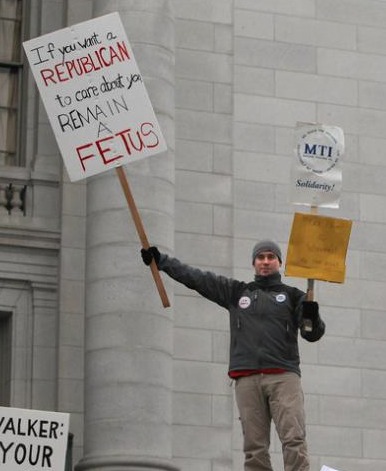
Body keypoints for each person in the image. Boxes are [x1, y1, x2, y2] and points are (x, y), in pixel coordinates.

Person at [141, 239, 325, 471]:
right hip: (247, 378)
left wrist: (312, 316)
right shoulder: (237, 293)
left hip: (283, 376)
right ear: (253, 263)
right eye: (261, 257)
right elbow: (197, 278)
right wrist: (162, 262)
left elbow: (311, 334)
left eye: (271, 257)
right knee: (254, 447)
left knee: (293, 439)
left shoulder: (294, 296)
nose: (266, 262)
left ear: (280, 262)